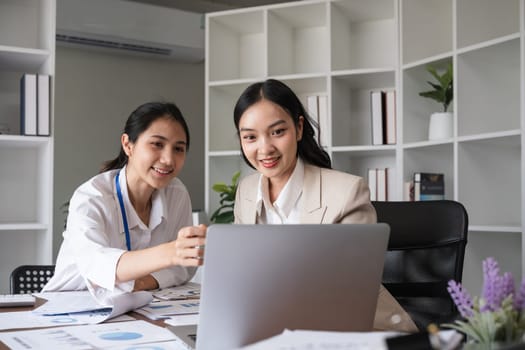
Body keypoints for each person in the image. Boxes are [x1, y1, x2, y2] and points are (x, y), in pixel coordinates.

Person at [232, 79, 418, 332]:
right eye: (250, 137)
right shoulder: (246, 191)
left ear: (298, 129)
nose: (265, 148)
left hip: (351, 330)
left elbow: (353, 289)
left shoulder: (347, 192)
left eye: (277, 132)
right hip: (276, 325)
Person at [44, 102, 206, 302]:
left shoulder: (177, 193)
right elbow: (99, 265)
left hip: (135, 306)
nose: (168, 159)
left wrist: (144, 282)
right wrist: (172, 252)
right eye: (157, 144)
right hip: (70, 305)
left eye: (178, 149)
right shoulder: (92, 197)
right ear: (128, 145)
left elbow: (184, 267)